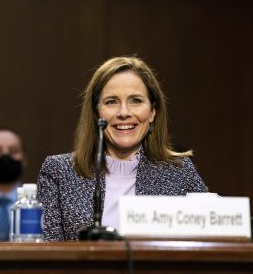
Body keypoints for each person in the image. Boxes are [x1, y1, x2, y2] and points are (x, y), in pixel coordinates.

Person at [37, 56, 208, 242]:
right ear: (96, 114)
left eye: (135, 100)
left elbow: (211, 246)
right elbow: (47, 256)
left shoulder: (180, 172)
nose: (124, 113)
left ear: (152, 112)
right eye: (111, 102)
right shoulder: (59, 172)